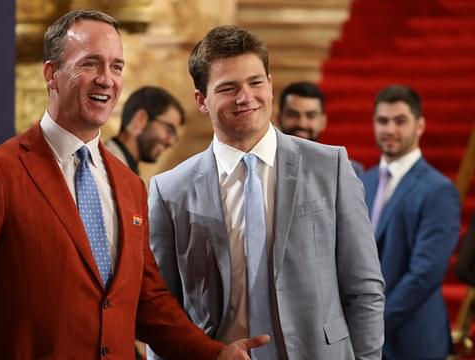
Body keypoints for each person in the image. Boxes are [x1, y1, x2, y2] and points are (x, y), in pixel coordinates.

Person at [0, 10, 269, 359]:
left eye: (116, 66)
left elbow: (147, 300)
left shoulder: (131, 185)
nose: (107, 78)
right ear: (51, 74)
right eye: (90, 63)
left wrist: (213, 354)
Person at [148, 25, 385, 360]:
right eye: (228, 88)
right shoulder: (169, 190)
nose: (246, 97)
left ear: (271, 85)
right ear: (201, 100)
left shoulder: (329, 166)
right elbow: (163, 313)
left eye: (255, 82)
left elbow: (364, 289)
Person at [361, 84, 460, 360]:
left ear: (420, 126)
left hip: (413, 340)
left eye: (400, 121)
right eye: (382, 120)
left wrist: (374, 325)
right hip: (365, 339)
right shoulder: (362, 182)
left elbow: (425, 273)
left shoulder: (439, 190)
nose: (390, 129)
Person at [277, 81, 364, 176]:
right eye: (292, 115)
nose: (302, 124)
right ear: (279, 119)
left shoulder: (348, 171)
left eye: (311, 116)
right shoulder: (263, 165)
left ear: (323, 122)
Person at [106, 86, 185, 175]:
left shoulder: (124, 169)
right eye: (169, 130)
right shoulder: (104, 167)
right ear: (141, 119)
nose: (171, 142)